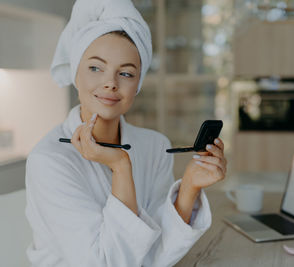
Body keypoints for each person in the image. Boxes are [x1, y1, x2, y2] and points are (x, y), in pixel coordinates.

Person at [24, 0, 227, 266]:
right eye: (95, 68)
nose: (110, 82)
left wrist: (189, 187)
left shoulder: (154, 146)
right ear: (76, 74)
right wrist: (120, 166)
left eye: (126, 73)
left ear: (138, 84)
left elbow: (155, 255)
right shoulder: (49, 161)